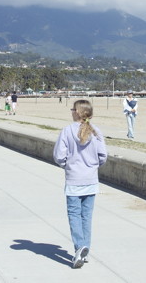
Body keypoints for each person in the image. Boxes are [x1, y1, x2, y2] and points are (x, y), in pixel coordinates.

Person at [53, 99, 107, 269]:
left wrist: (68, 166)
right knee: (86, 217)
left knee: (74, 215)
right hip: (91, 180)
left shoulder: (67, 130)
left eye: (72, 109)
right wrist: (92, 167)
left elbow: (59, 156)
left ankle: (79, 248)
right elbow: (103, 156)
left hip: (74, 180)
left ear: (77, 112)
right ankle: (85, 251)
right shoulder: (96, 131)